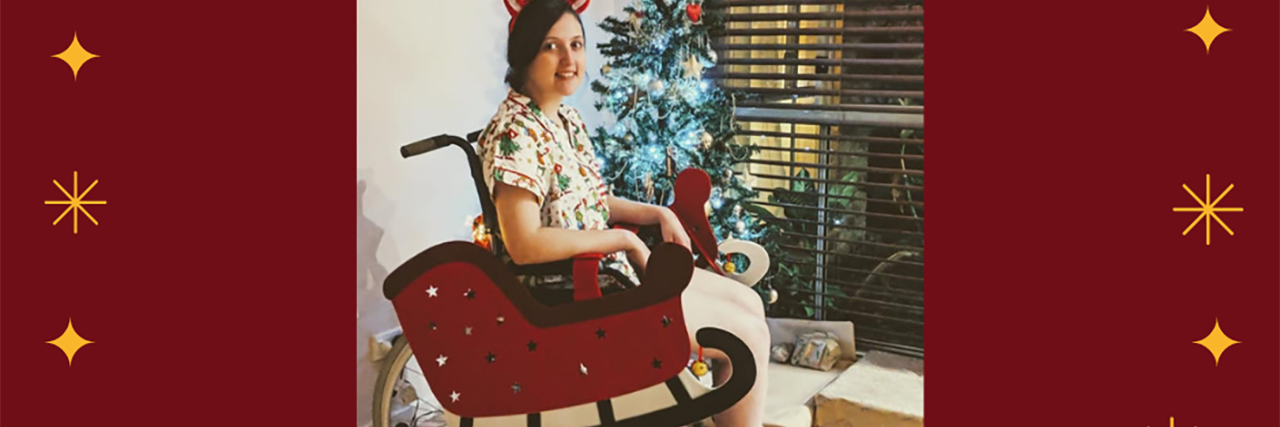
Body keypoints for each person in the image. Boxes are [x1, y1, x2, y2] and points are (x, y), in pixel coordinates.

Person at [476, 0, 770, 425]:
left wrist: (657, 214)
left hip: (612, 274)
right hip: (577, 293)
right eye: (551, 47)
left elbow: (593, 199)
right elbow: (525, 245)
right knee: (746, 335)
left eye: (576, 45)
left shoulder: (564, 119)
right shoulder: (515, 132)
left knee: (747, 302)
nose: (569, 59)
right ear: (523, 54)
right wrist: (623, 238)